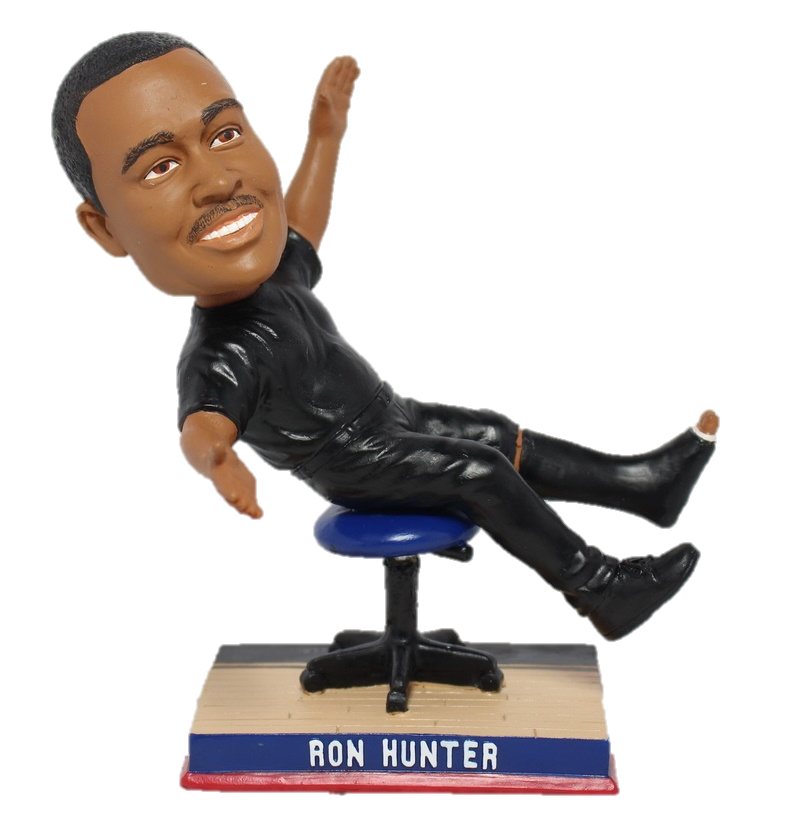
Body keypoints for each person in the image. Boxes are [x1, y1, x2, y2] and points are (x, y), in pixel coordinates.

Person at [52, 32, 719, 642]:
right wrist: (219, 462)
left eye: (226, 134)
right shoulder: (221, 350)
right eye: (160, 168)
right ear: (103, 228)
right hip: (350, 459)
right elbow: (202, 423)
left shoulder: (276, 271)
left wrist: (325, 134)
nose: (220, 181)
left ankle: (640, 485)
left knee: (492, 432)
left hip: (389, 415)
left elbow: (303, 223)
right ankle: (601, 589)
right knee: (479, 470)